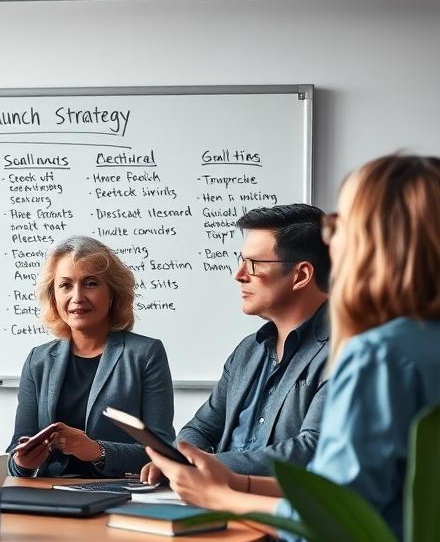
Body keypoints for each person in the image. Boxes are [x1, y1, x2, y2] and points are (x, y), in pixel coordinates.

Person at [148, 154, 440, 542]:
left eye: (339, 225)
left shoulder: (375, 353)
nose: (331, 243)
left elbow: (335, 524)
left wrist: (220, 495)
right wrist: (234, 482)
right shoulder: (251, 351)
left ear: (370, 240)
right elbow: (347, 491)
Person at [0, 236, 174, 542]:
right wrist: (24, 460)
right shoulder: (40, 358)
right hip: (47, 499)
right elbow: (18, 448)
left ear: (113, 292)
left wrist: (96, 450)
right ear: (53, 296)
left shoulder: (144, 353)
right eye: (65, 285)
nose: (77, 297)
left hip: (114, 501)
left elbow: (162, 447)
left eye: (90, 283)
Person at [142, 204, 332, 484]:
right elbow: (201, 428)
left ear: (301, 275)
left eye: (254, 264)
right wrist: (181, 457)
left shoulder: (342, 350)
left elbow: (309, 450)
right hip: (212, 498)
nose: (239, 274)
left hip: (274, 512)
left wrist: (209, 464)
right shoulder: (248, 351)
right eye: (240, 260)